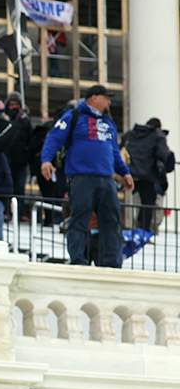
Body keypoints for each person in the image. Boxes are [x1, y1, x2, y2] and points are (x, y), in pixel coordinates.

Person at [41, 85, 134, 268]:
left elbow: (114, 151)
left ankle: (112, 262)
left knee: (112, 221)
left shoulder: (109, 123)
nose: (109, 101)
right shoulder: (74, 116)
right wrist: (46, 160)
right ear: (93, 98)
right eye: (106, 97)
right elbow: (54, 137)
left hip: (106, 179)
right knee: (79, 219)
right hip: (81, 177)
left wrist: (125, 172)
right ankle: (78, 259)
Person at [123, 118, 173, 231]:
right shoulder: (157, 136)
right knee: (148, 206)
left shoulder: (131, 134)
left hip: (132, 175)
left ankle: (138, 231)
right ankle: (144, 233)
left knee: (138, 205)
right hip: (150, 177)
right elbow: (163, 155)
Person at [1, 94, 33, 213]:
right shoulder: (5, 120)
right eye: (11, 105)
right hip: (7, 159)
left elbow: (30, 140)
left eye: (16, 105)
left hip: (20, 161)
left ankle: (19, 213)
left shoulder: (25, 121)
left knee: (19, 187)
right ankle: (7, 212)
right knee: (7, 187)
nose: (13, 107)